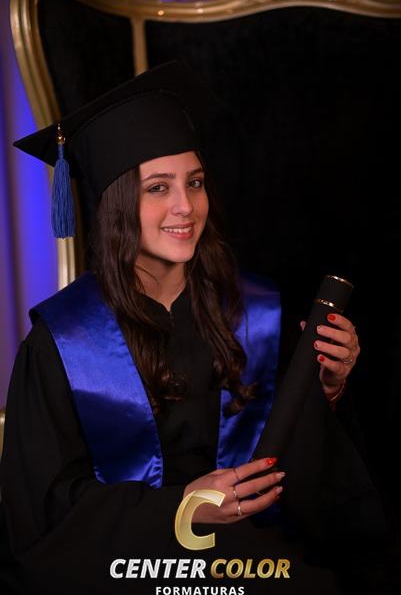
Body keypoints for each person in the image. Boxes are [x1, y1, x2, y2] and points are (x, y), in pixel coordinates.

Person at [0, 61, 391, 595]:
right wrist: (183, 507)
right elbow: (44, 513)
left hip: (250, 561)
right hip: (125, 570)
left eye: (195, 182)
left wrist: (323, 389)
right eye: (158, 188)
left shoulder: (256, 313)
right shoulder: (63, 342)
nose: (185, 206)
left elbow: (306, 478)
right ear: (116, 204)